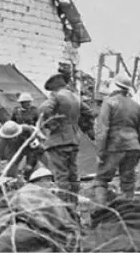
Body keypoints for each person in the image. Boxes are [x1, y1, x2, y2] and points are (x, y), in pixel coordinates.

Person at [37, 72, 96, 204]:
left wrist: (53, 125)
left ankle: (64, 206)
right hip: (74, 140)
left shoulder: (57, 96)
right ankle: (74, 202)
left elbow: (43, 109)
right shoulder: (75, 97)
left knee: (61, 175)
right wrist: (86, 129)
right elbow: (89, 113)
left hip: (58, 141)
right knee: (73, 174)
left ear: (53, 87)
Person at [92, 74, 140, 204]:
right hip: (133, 146)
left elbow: (102, 130)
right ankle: (128, 214)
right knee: (128, 182)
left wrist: (100, 152)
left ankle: (101, 211)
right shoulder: (136, 105)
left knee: (101, 179)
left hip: (114, 146)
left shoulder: (109, 102)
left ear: (115, 85)